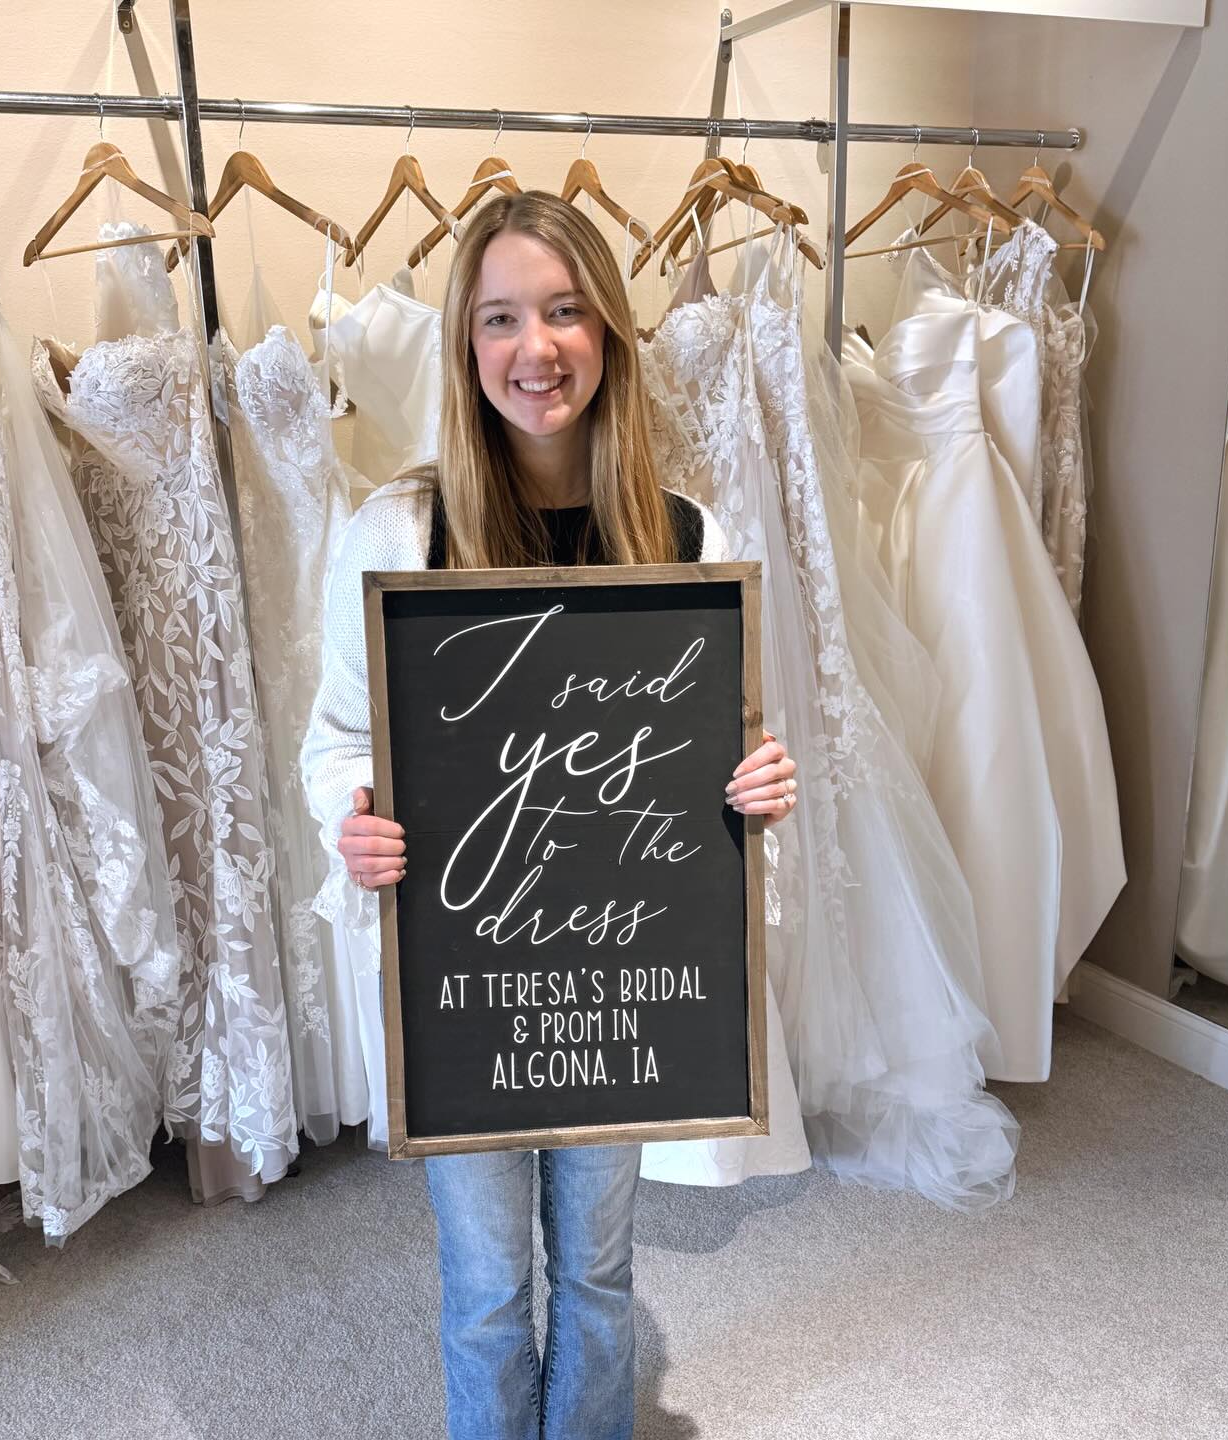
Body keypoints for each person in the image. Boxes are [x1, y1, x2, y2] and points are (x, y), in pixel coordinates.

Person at [300, 191, 798, 1440]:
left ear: (610, 331)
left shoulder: (683, 534)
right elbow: (338, 741)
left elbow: (723, 747)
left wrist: (756, 782)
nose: (538, 349)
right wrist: (351, 820)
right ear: (466, 345)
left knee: (598, 1274)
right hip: (464, 977)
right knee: (484, 1291)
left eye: (566, 312)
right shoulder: (400, 532)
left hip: (620, 976)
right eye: (502, 318)